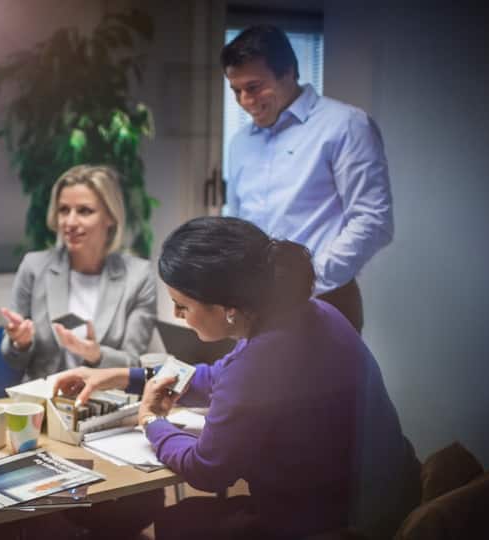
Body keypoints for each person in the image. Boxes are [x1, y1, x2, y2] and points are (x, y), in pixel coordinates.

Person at [54, 217, 420, 539]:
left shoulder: (258, 363)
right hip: (389, 492)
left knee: (179, 524)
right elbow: (217, 377)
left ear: (227, 309)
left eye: (183, 306)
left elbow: (207, 470)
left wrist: (151, 422)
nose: (179, 315)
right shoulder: (316, 313)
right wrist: (120, 377)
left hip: (336, 521)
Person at [222, 25, 393, 332]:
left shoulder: (345, 125)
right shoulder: (239, 143)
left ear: (288, 72)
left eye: (254, 86)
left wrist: (304, 282)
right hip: (256, 306)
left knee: (328, 383)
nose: (246, 101)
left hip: (326, 301)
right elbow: (237, 224)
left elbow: (373, 221)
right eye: (236, 91)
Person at [0, 164, 157, 381]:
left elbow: (134, 363)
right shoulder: (34, 267)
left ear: (110, 217)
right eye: (64, 210)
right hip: (45, 401)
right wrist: (21, 342)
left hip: (107, 403)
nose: (70, 222)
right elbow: (12, 360)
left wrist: (95, 354)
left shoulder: (139, 276)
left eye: (84, 211)